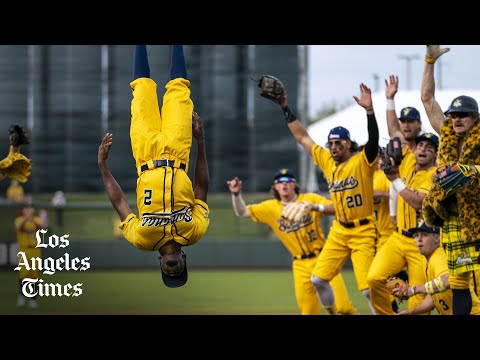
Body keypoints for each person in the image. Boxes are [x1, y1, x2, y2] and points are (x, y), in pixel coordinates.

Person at [98, 45, 210, 288]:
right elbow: (201, 188)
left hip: (144, 154)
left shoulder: (141, 239)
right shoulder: (193, 232)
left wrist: (103, 165)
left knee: (141, 89)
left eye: (168, 275)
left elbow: (119, 203)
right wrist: (201, 142)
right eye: (178, 273)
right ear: (184, 259)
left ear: (159, 264)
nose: (172, 272)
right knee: (179, 88)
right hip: (178, 151)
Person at [268, 82, 379, 314]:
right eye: (331, 143)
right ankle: (331, 311)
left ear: (349, 143)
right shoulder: (327, 160)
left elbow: (374, 140)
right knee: (318, 281)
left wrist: (369, 111)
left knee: (368, 289)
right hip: (340, 230)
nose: (334, 146)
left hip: (363, 230)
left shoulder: (361, 161)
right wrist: (285, 107)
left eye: (339, 142)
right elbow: (302, 137)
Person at [226, 168, 357, 315]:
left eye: (288, 181)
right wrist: (236, 194)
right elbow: (242, 212)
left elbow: (335, 208)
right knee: (308, 312)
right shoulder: (270, 208)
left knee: (344, 308)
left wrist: (315, 207)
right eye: (280, 182)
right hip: (300, 264)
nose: (284, 185)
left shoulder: (310, 199)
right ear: (275, 187)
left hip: (324, 258)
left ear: (294, 184)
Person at [366, 76, 439, 314]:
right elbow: (393, 130)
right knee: (375, 278)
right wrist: (389, 100)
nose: (406, 126)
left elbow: (418, 201)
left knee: (421, 305)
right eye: (404, 121)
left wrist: (393, 179)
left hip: (422, 242)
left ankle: (409, 295)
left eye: (411, 122)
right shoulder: (407, 156)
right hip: (398, 237)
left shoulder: (434, 173)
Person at [420, 45, 480, 315]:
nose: (455, 119)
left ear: (475, 118)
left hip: (477, 217)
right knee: (458, 284)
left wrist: (471, 171)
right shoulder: (445, 135)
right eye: (453, 115)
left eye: (462, 115)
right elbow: (427, 98)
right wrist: (430, 61)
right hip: (453, 218)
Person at [392, 219, 480, 315]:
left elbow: (447, 280)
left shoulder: (438, 256)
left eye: (424, 235)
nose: (419, 239)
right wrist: (411, 312)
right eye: (416, 235)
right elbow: (433, 296)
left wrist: (413, 290)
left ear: (437, 238)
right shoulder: (426, 260)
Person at [14, 200, 43, 309]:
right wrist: (26, 219)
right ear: (23, 210)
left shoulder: (36, 220)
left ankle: (33, 299)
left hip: (35, 250)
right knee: (23, 275)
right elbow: (19, 228)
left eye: (30, 208)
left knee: (34, 276)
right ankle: (21, 297)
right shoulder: (19, 220)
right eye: (26, 208)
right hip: (24, 250)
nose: (28, 210)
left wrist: (31, 219)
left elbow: (40, 228)